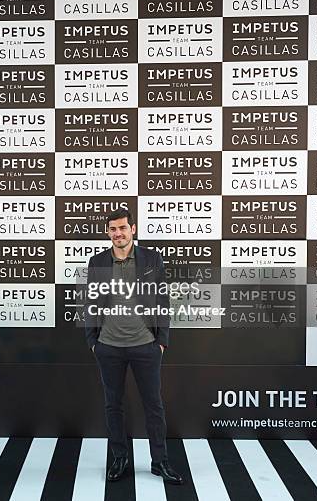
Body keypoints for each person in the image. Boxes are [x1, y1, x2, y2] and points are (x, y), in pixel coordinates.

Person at [84, 207, 184, 485]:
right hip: (108, 347)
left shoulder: (152, 259)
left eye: (123, 228)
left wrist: (161, 341)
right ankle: (119, 458)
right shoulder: (98, 262)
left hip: (146, 345)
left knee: (154, 405)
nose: (118, 233)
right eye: (113, 229)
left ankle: (160, 461)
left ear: (133, 229)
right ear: (108, 232)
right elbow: (91, 303)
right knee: (112, 405)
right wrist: (93, 342)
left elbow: (163, 300)